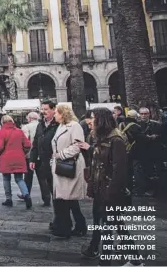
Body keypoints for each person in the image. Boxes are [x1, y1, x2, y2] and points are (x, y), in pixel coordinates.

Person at [81, 108, 141, 264]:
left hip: (110, 191)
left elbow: (119, 171)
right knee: (117, 225)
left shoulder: (116, 139)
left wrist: (110, 194)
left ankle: (105, 261)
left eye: (93, 118)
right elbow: (96, 165)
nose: (89, 121)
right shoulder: (102, 138)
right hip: (101, 189)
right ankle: (136, 261)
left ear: (101, 120)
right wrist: (92, 188)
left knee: (108, 226)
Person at [50, 104, 87, 238]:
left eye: (56, 113)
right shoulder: (61, 126)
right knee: (67, 198)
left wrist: (61, 155)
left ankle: (65, 229)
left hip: (70, 165)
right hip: (61, 165)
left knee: (66, 198)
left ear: (63, 113)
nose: (54, 115)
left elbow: (78, 145)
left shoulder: (74, 126)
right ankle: (79, 225)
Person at [0, 115, 32, 209]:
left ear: (2, 122)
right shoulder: (19, 131)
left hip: (6, 158)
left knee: (6, 178)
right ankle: (26, 195)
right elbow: (28, 144)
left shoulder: (2, 132)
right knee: (19, 179)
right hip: (19, 157)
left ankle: (9, 199)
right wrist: (22, 152)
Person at [29, 100, 58, 207]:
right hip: (42, 162)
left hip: (55, 162)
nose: (43, 111)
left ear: (54, 109)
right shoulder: (40, 125)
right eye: (42, 109)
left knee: (57, 190)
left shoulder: (58, 124)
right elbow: (35, 143)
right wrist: (32, 159)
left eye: (46, 109)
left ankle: (61, 217)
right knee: (47, 185)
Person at [134, 107, 160, 197]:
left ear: (149, 114)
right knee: (140, 172)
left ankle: (152, 189)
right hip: (139, 152)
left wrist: (155, 137)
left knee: (151, 172)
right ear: (139, 114)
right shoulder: (136, 125)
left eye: (146, 114)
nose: (144, 115)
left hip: (152, 152)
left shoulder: (156, 124)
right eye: (142, 114)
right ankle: (142, 189)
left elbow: (160, 137)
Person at [21, 112, 39, 200]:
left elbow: (24, 141)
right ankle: (46, 197)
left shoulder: (26, 127)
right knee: (42, 178)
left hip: (29, 154)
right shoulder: (42, 126)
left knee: (28, 176)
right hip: (40, 155)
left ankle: (26, 194)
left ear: (30, 118)